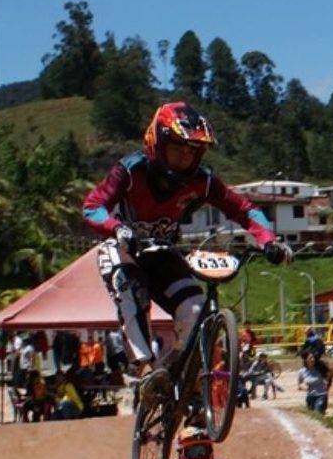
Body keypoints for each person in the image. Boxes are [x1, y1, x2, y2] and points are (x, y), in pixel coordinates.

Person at [83, 102, 290, 399]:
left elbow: (245, 210)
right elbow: (92, 207)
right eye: (177, 148)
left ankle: (183, 378)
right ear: (157, 143)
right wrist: (116, 228)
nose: (185, 157)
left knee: (195, 309)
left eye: (192, 151)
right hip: (122, 248)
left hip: (162, 252)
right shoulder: (130, 170)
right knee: (129, 288)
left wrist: (268, 241)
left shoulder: (202, 181)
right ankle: (145, 369)